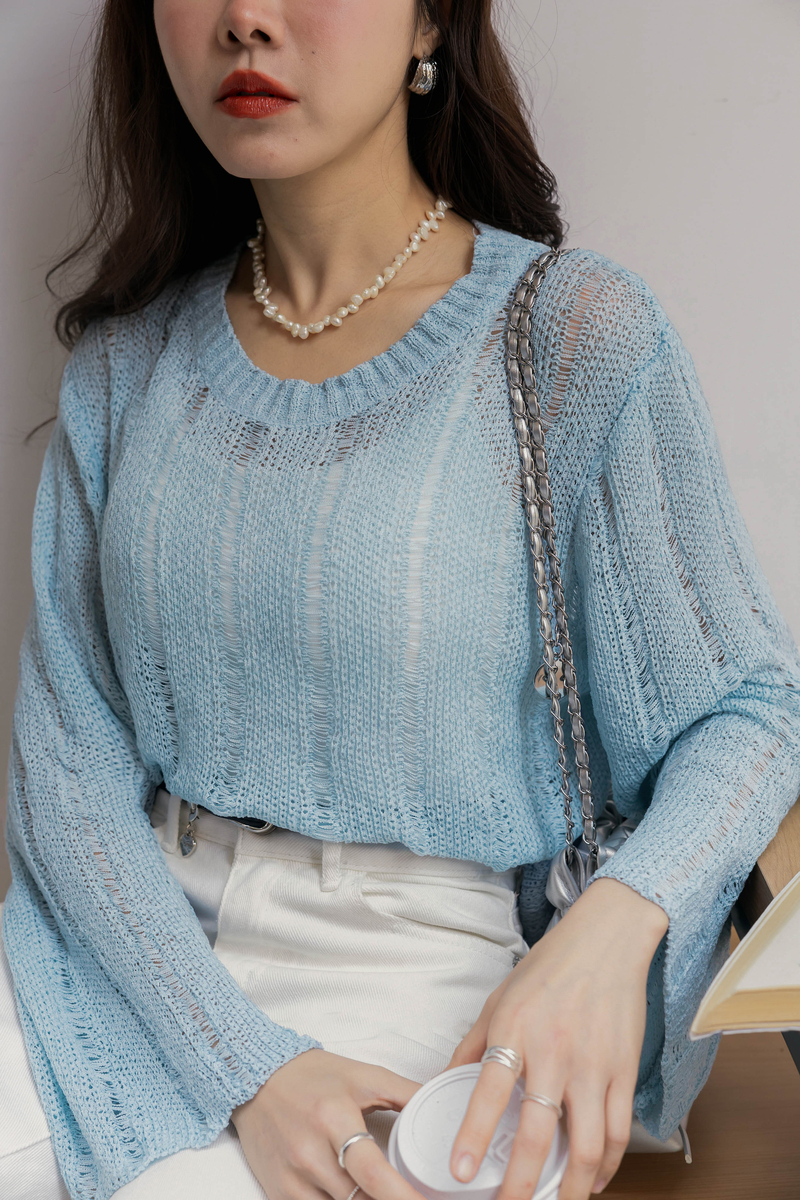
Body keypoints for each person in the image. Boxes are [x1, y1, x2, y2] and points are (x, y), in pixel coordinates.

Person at [2, 1, 799, 1199]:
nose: (244, 20)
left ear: (429, 21)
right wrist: (246, 1067)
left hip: (426, 975)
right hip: (120, 960)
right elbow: (67, 776)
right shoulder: (127, 369)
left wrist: (614, 922)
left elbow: (749, 712)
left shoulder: (569, 340)